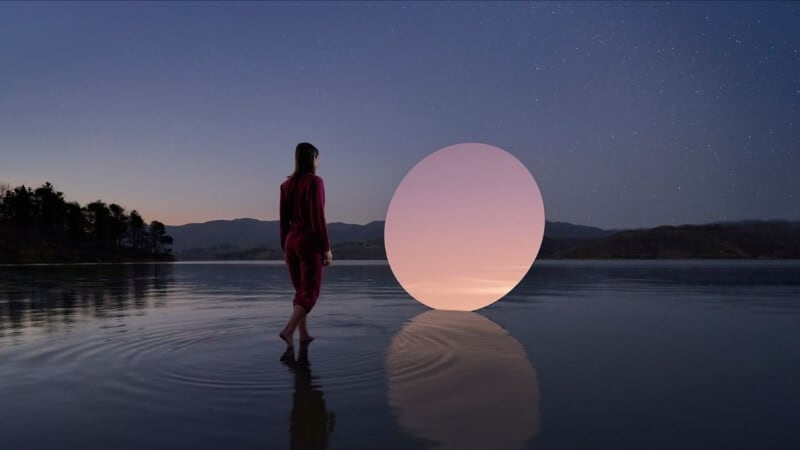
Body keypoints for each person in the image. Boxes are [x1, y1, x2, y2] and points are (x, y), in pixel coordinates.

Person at [279, 142, 333, 353]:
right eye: (317, 158)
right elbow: (317, 216)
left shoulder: (286, 185)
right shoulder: (315, 182)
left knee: (301, 291)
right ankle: (289, 330)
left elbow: (283, 219)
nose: (319, 163)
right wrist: (326, 247)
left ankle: (304, 335)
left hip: (291, 240)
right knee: (310, 293)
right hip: (309, 241)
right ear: (312, 159)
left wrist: (285, 245)